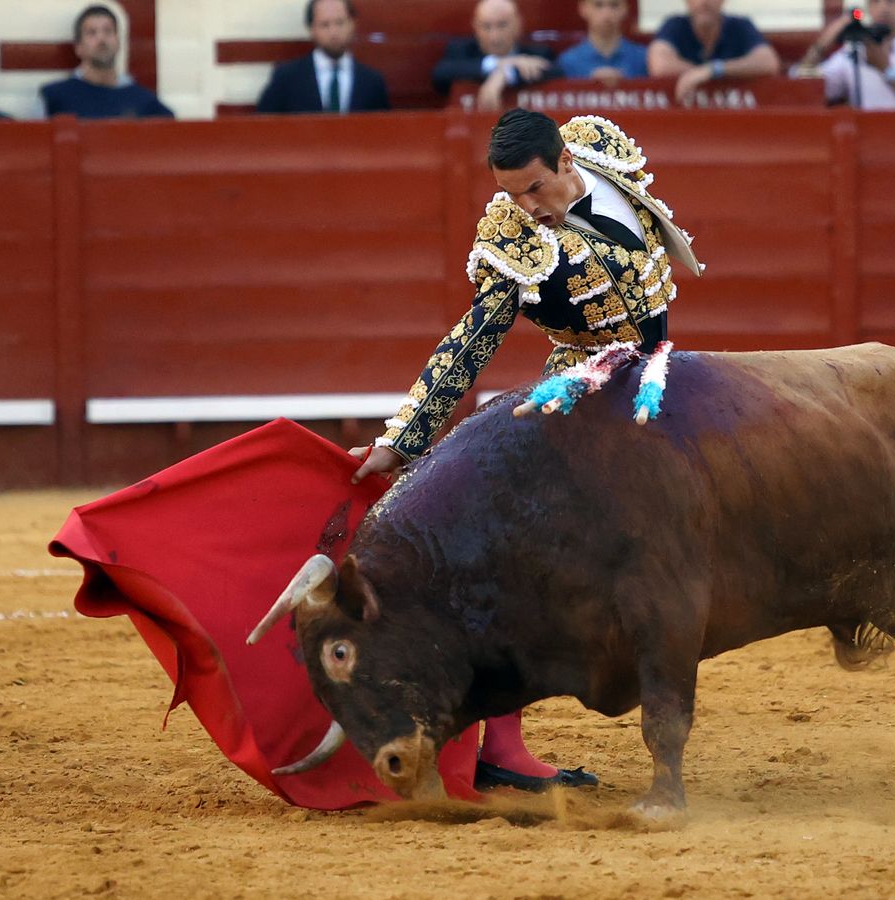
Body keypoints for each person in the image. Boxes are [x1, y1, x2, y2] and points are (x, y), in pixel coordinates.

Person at [349, 110, 703, 791]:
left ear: (568, 160)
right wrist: (401, 441)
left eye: (536, 189)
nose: (527, 209)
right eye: (512, 194)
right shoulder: (515, 239)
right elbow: (469, 341)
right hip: (576, 403)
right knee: (514, 562)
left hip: (661, 386)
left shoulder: (604, 153)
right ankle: (501, 747)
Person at [798, 0, 895, 111]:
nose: (883, 8)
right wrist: (821, 46)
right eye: (875, 1)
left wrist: (886, 69)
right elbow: (804, 87)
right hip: (866, 142)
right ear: (869, 8)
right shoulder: (855, 49)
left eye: (891, 1)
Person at [41, 5, 174, 118]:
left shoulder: (144, 102)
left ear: (118, 42)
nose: (101, 39)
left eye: (108, 31)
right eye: (91, 33)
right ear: (78, 47)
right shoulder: (53, 98)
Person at [257, 0, 390, 114]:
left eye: (340, 23)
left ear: (352, 24)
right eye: (324, 25)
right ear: (312, 29)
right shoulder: (285, 78)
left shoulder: (373, 82)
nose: (333, 33)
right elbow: (263, 129)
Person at [431, 0, 562, 111]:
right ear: (475, 27)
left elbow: (555, 72)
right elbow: (440, 74)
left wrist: (506, 73)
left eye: (502, 25)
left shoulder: (538, 53)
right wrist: (495, 64)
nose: (494, 36)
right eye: (486, 26)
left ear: (517, 24)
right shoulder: (461, 51)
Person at [647, 0, 780, 102]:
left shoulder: (740, 26)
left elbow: (768, 62)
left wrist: (714, 70)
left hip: (735, 118)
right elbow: (660, 65)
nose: (703, 2)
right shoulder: (674, 25)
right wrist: (699, 72)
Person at [558, 0, 650, 86]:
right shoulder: (567, 62)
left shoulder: (644, 58)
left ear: (625, 9)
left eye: (614, 5)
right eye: (598, 5)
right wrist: (589, 84)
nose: (607, 14)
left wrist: (625, 84)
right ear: (583, 9)